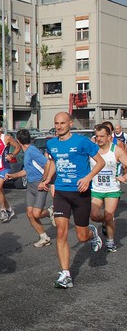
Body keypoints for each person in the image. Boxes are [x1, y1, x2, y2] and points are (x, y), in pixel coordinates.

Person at [39, 112, 105, 289]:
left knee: (81, 237)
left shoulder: (82, 142)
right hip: (61, 192)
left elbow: (100, 162)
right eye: (56, 123)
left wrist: (88, 178)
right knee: (61, 231)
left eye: (62, 123)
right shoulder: (51, 143)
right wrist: (47, 179)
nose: (59, 126)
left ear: (70, 124)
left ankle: (91, 233)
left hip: (80, 192)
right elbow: (53, 163)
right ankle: (65, 274)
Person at [5, 129, 56, 248]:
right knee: (30, 214)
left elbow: (47, 163)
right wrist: (13, 175)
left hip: (40, 185)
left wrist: (44, 181)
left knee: (36, 214)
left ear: (18, 141)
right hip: (31, 185)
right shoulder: (27, 152)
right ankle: (44, 237)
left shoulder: (32, 151)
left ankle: (49, 211)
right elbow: (27, 170)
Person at [89, 124, 127, 252]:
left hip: (112, 189)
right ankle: (105, 221)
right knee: (94, 216)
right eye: (97, 136)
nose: (99, 139)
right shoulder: (92, 150)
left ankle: (110, 241)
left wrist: (124, 177)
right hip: (96, 189)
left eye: (102, 136)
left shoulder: (116, 150)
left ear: (109, 137)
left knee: (109, 214)